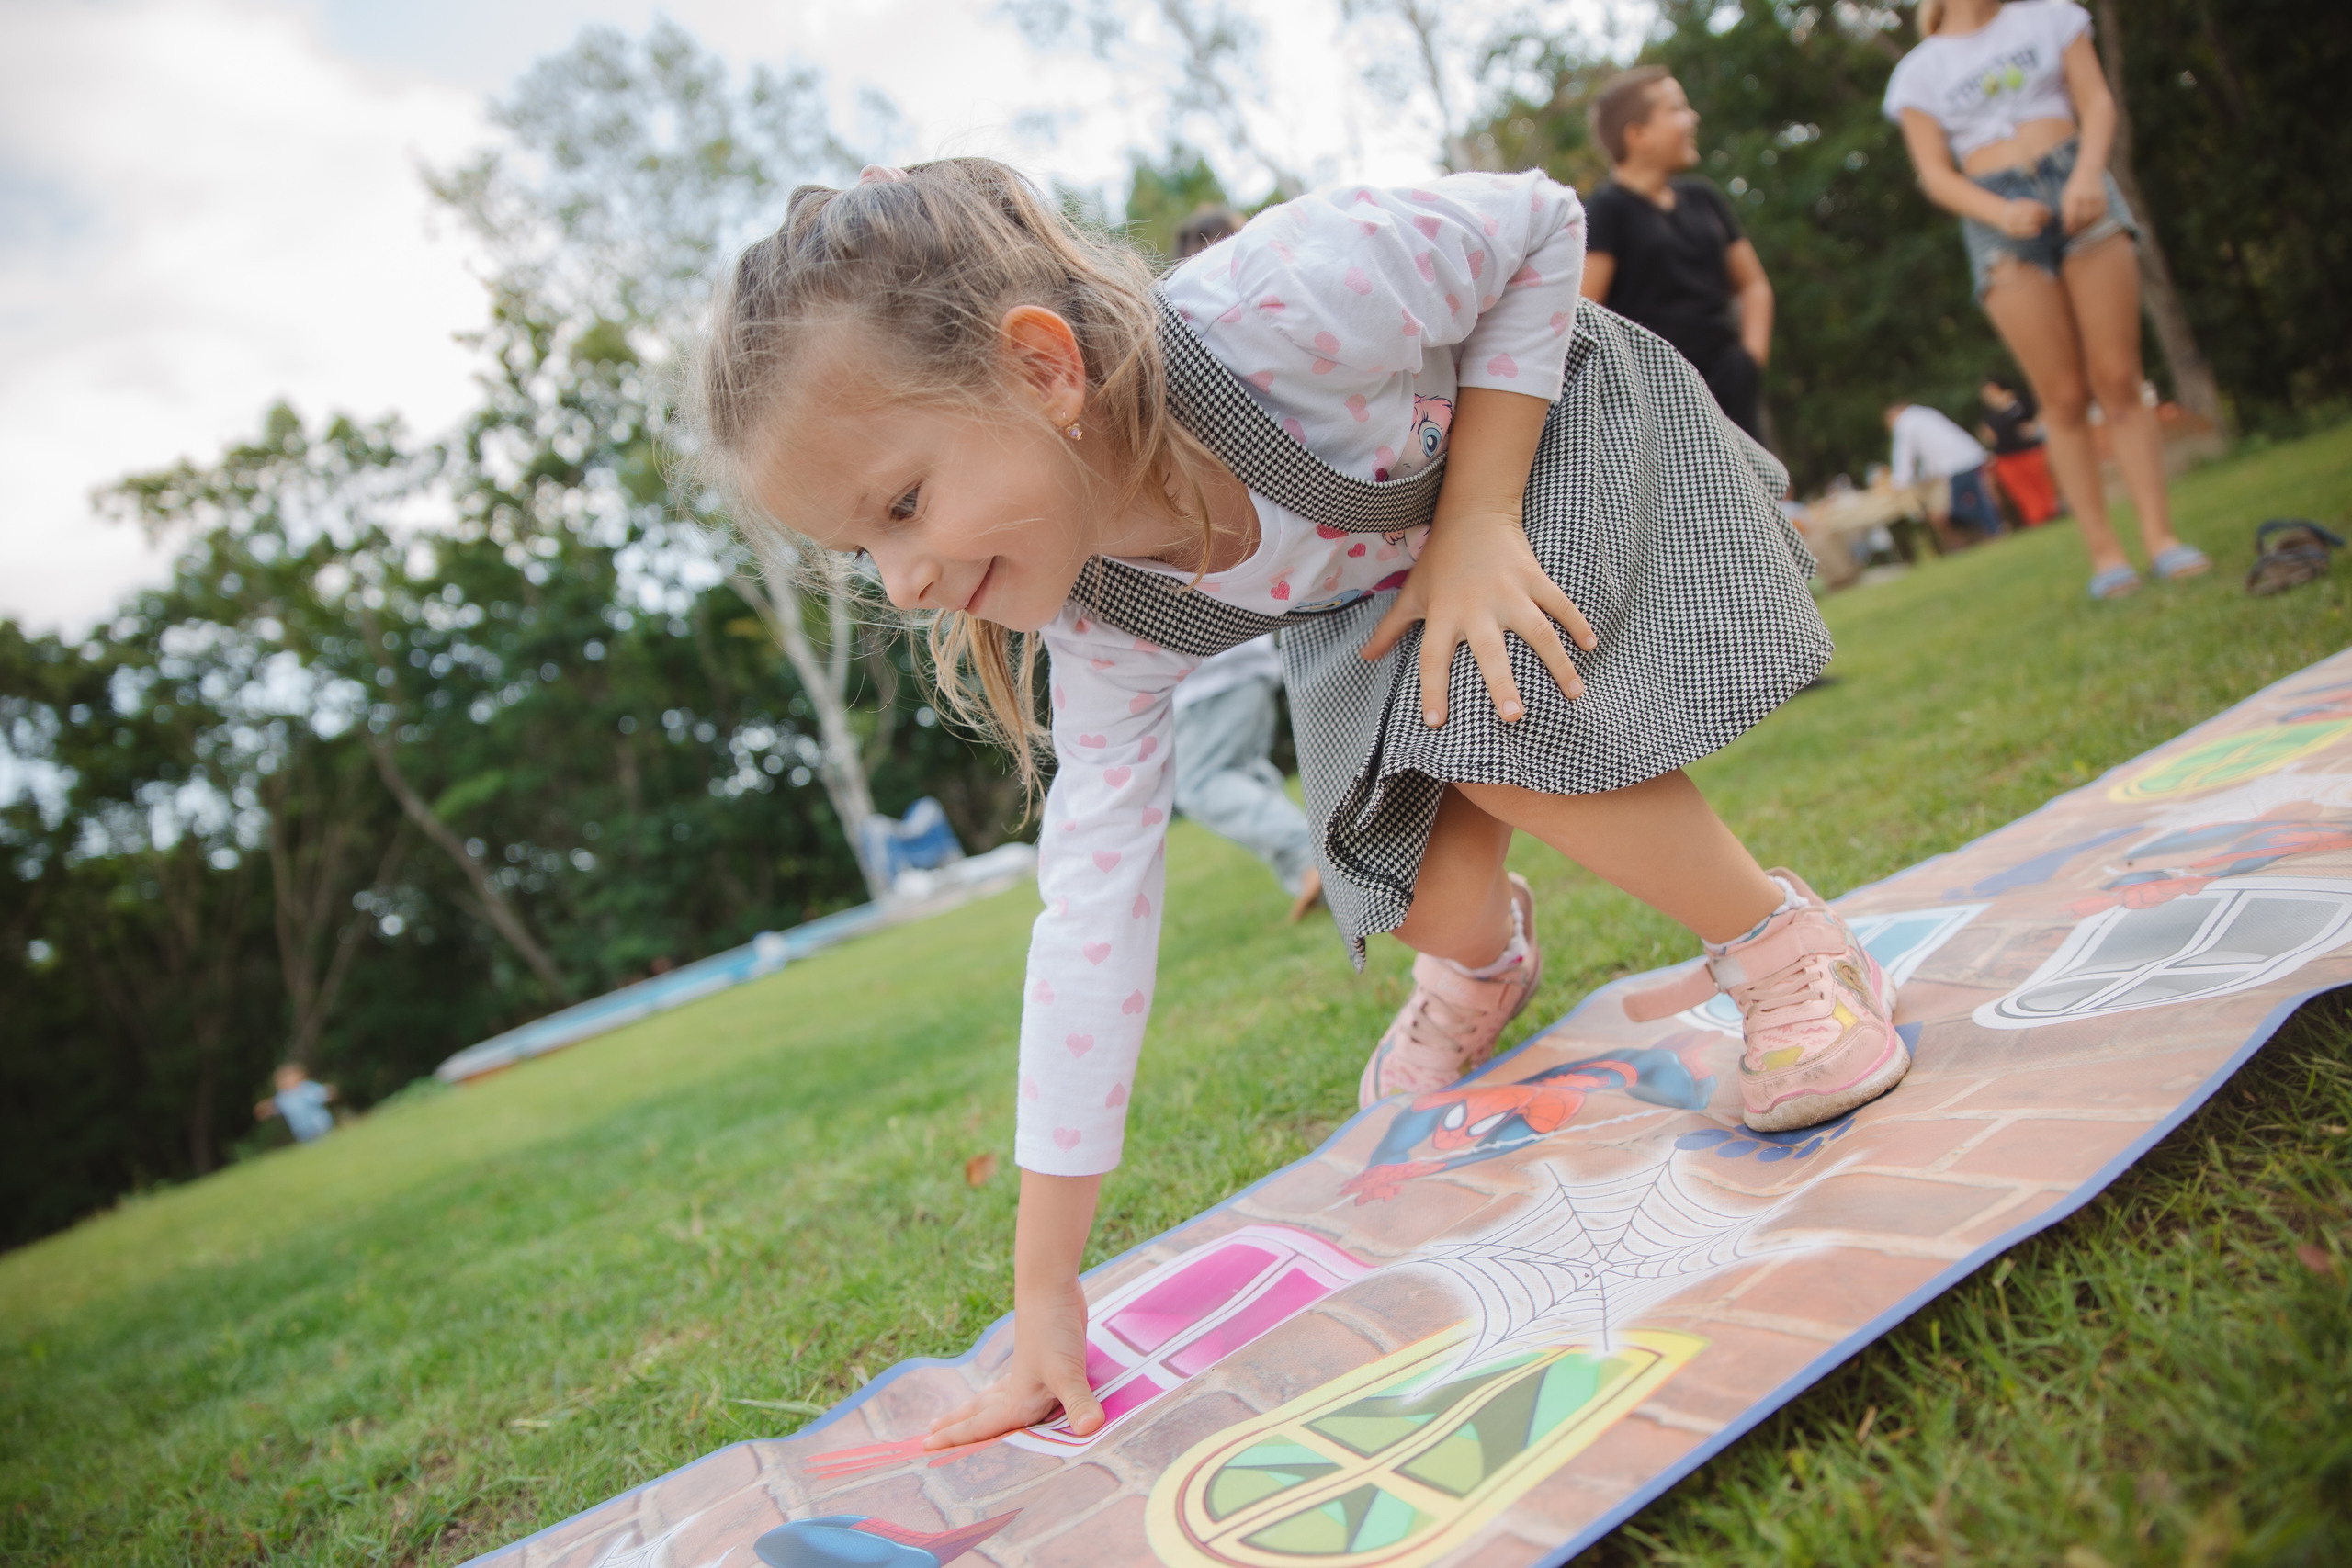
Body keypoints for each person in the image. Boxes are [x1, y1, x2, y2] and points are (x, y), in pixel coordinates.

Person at [687, 157, 1906, 1449]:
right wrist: (1043, 1291)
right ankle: (1479, 963)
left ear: (1042, 370)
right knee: (1406, 878)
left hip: (1539, 437)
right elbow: (1089, 916)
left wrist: (1480, 513)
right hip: (1380, 584)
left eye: (902, 505)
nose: (904, 582)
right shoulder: (1102, 622)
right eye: (862, 549)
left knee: (1486, 723)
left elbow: (1539, 224)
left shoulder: (1280, 307)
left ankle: (1783, 946)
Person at [1885, 0, 2209, 599]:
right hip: (1996, 217)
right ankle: (2106, 554)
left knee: (2118, 377)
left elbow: (2097, 102)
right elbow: (1935, 174)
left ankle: (2161, 538)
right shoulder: (1918, 72)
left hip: (2077, 180)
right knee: (2060, 396)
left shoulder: (2051, 16)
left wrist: (2088, 174)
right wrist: (2000, 212)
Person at [1166, 205, 1325, 920]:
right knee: (1245, 771)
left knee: (1202, 783)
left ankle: (1310, 855)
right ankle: (1315, 867)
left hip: (1217, 661)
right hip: (1251, 645)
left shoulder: (1192, 379)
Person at [1579, 67, 1775, 441]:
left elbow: (1754, 285)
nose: (1692, 118)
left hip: (1732, 391)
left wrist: (1750, 361)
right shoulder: (1605, 210)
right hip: (1663, 408)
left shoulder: (1704, 198)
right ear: (1638, 135)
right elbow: (1586, 316)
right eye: (1677, 109)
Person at [1885, 399, 2003, 548]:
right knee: (1978, 499)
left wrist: (1898, 482)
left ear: (1893, 415)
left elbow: (1903, 454)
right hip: (1970, 457)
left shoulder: (1904, 422)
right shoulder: (1926, 413)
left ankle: (1986, 531)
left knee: (1956, 508)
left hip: (1955, 465)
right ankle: (1994, 531)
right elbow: (1932, 448)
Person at [1979, 373, 2060, 525]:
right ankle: (2036, 517)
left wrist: (2035, 427)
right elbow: (1988, 436)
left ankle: (2051, 513)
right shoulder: (1990, 415)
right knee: (2021, 489)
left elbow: (2042, 414)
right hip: (2006, 458)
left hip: (2029, 452)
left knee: (2041, 483)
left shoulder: (2022, 403)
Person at [253, 1063, 337, 1143]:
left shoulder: (306, 1088)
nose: (286, 1081)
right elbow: (274, 1107)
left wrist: (328, 1092)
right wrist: (264, 1110)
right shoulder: (282, 1098)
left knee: (327, 1140)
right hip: (302, 1131)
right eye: (283, 1080)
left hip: (319, 1124)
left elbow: (322, 1093)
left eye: (288, 1078)